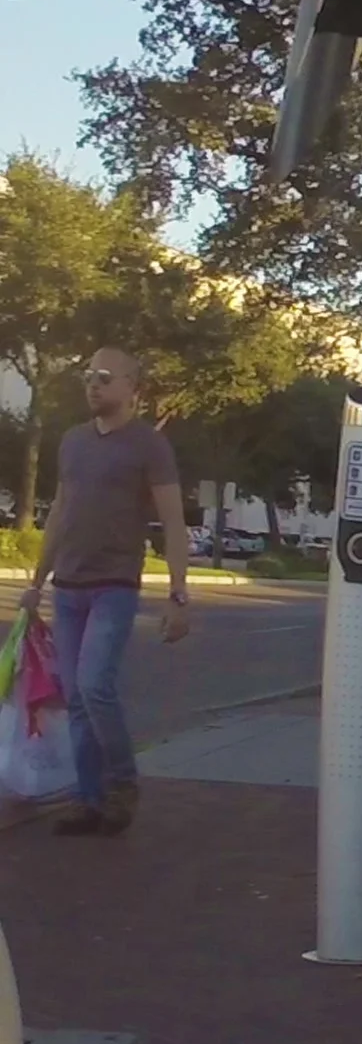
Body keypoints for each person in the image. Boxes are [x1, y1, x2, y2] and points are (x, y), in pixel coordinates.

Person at [14, 349, 191, 837]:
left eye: (105, 378)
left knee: (94, 685)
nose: (93, 385)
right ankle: (89, 800)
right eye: (88, 376)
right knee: (74, 696)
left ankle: (120, 784)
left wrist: (178, 595)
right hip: (67, 586)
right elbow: (60, 513)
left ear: (132, 386)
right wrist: (35, 583)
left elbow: (174, 523)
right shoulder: (72, 442)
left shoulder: (148, 446)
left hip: (114, 585)